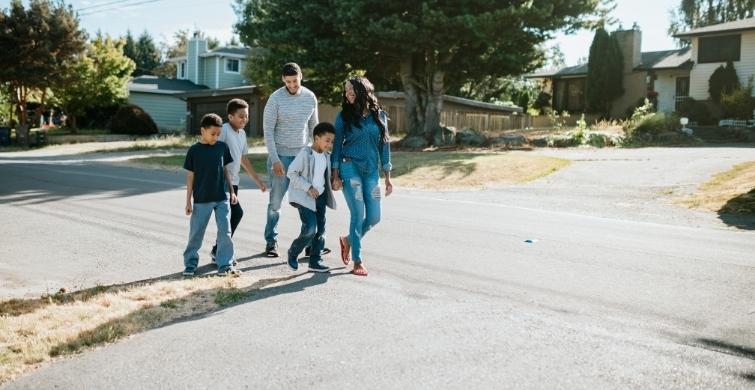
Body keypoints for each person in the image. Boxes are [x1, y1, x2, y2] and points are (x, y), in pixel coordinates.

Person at [331, 77, 393, 277]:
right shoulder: (344, 116)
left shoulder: (379, 116)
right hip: (349, 168)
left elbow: (385, 146)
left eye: (351, 90)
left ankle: (348, 240)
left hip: (371, 173)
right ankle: (357, 261)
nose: (348, 94)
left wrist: (388, 176)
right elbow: (336, 146)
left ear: (363, 90)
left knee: (374, 217)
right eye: (346, 91)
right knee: (357, 215)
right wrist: (335, 174)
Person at [262, 62, 320, 258]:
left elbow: (314, 127)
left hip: (302, 156)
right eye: (288, 82)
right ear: (283, 80)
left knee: (305, 200)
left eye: (295, 81)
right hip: (281, 156)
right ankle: (271, 241)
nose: (292, 85)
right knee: (276, 203)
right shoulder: (275, 99)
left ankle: (310, 242)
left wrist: (316, 153)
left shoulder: (310, 97)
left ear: (301, 76)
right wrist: (275, 159)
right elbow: (268, 131)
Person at [181, 113, 241, 277]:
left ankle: (225, 265)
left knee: (225, 232)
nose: (216, 137)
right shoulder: (194, 150)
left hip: (221, 197)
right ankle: (190, 264)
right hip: (201, 199)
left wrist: (232, 191)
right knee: (196, 233)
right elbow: (190, 176)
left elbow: (225, 171)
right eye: (212, 134)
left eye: (218, 134)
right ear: (203, 130)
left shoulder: (222, 148)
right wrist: (188, 201)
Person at [210, 98, 268, 263]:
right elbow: (215, 153)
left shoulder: (242, 134)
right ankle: (221, 252)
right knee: (233, 214)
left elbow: (243, 159)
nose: (245, 119)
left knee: (230, 216)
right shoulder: (224, 130)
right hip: (221, 181)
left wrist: (258, 180)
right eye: (241, 116)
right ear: (230, 116)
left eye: (246, 116)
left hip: (234, 182)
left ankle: (218, 250)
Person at [285, 122, 336, 273]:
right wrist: (308, 187)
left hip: (320, 197)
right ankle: (293, 252)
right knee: (310, 229)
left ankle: (315, 261)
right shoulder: (305, 154)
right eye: (327, 140)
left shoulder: (327, 156)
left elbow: (326, 176)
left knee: (320, 230)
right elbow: (291, 173)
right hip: (305, 198)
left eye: (332, 141)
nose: (330, 144)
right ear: (316, 138)